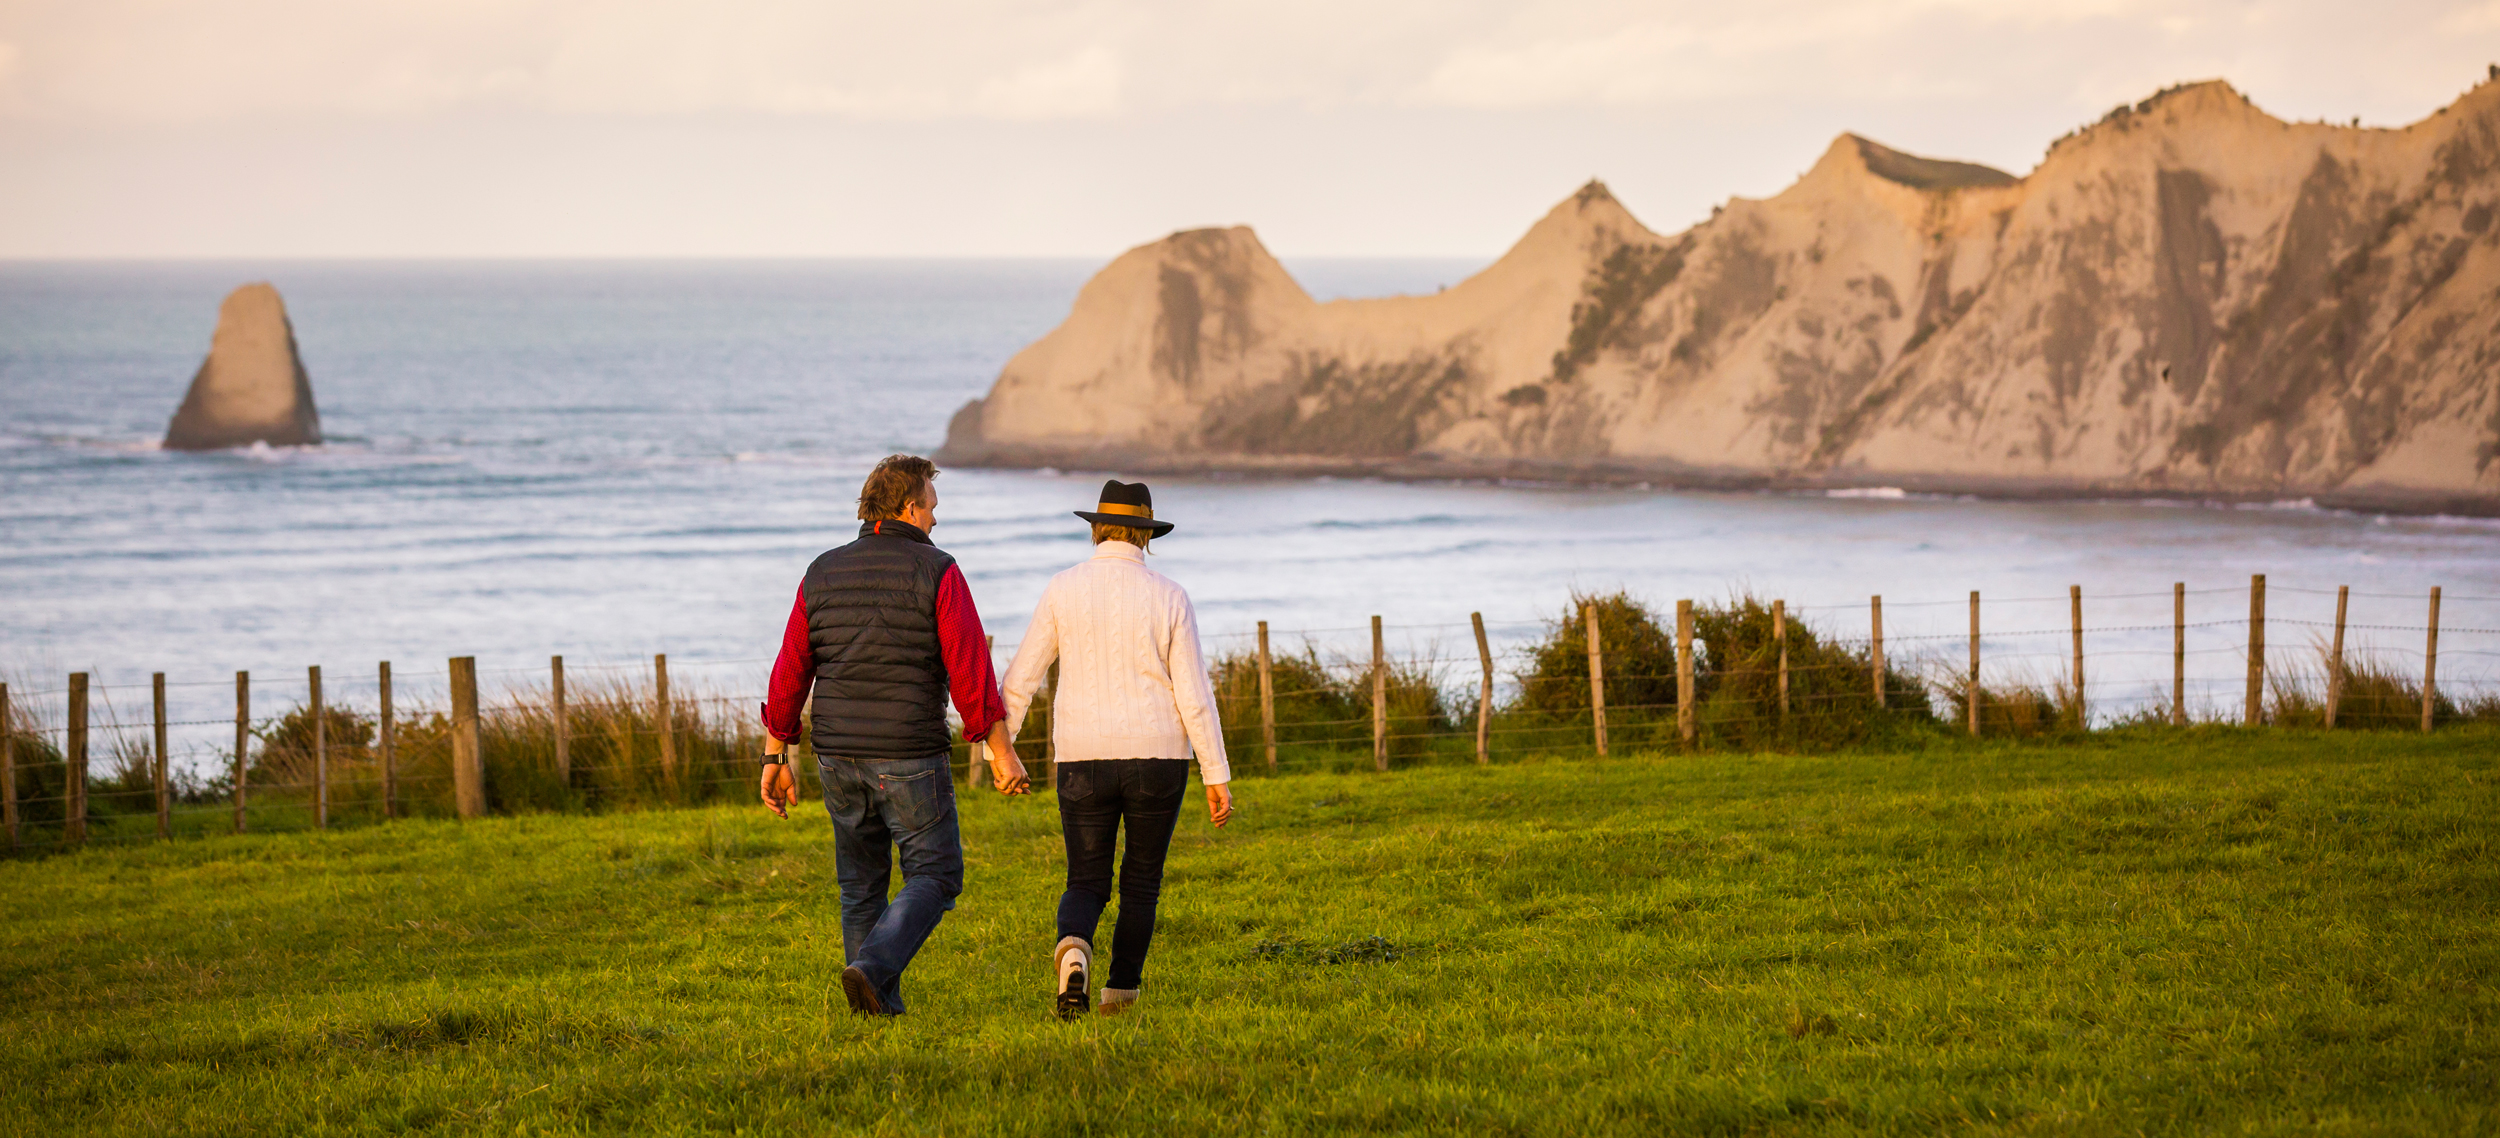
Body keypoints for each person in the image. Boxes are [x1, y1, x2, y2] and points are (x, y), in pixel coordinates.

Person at [759, 454, 1030, 1017]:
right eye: (931, 506)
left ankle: (872, 1007)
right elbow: (969, 668)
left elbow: (790, 668)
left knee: (860, 887)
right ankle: (873, 969)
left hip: (837, 757)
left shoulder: (821, 570)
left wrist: (774, 754)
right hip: (908, 754)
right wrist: (1001, 751)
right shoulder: (938, 570)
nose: (935, 518)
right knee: (936, 873)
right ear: (909, 507)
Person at [1001, 479, 1234, 1020]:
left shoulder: (1062, 588)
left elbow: (1021, 678)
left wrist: (1000, 752)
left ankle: (1074, 951)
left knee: (1085, 879)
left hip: (1081, 757)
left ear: (1097, 530)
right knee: (1141, 883)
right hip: (1160, 756)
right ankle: (1120, 995)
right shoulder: (1170, 595)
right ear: (1144, 535)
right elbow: (1194, 694)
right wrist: (1215, 772)